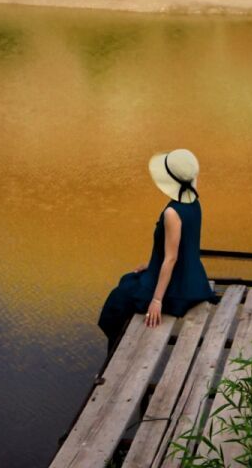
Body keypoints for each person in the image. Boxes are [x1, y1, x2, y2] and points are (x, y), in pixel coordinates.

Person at [97, 148, 216, 352]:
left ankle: (116, 352)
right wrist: (151, 263)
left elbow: (171, 258)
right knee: (129, 279)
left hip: (177, 289)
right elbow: (182, 247)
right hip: (194, 279)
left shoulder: (172, 212)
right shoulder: (194, 202)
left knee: (117, 302)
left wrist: (157, 300)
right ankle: (118, 346)